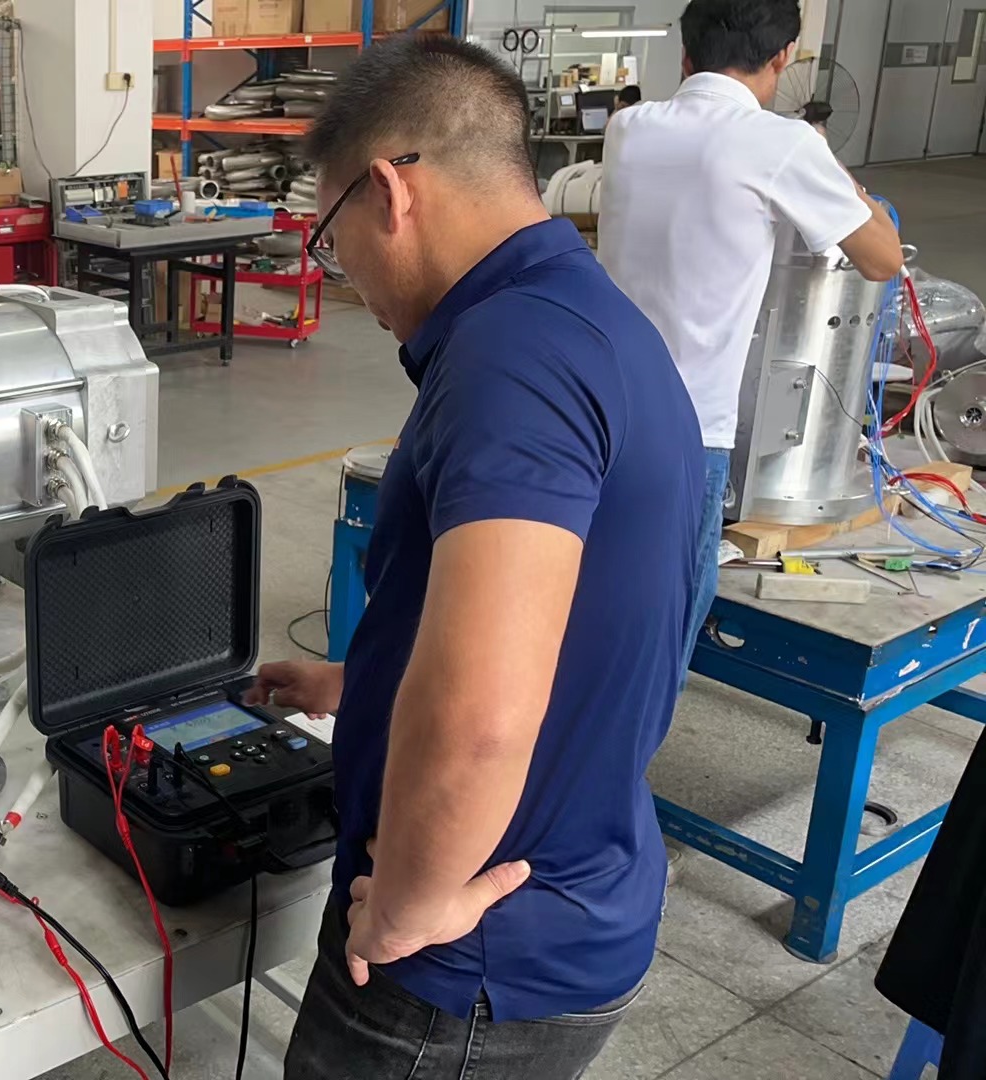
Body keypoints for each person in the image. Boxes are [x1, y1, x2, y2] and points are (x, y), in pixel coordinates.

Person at [254, 37, 704, 1079]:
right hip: (578, 896)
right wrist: (361, 685)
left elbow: (482, 719)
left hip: (464, 972)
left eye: (330, 240)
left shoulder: (511, 362)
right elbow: (585, 626)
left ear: (389, 193)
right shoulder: (583, 317)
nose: (340, 272)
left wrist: (406, 910)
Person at [598, 0, 903, 672]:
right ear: (784, 56)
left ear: (685, 54)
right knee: (666, 619)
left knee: (596, 594)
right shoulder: (781, 144)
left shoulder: (630, 127)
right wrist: (833, 172)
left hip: (602, 406)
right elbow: (883, 258)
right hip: (691, 428)